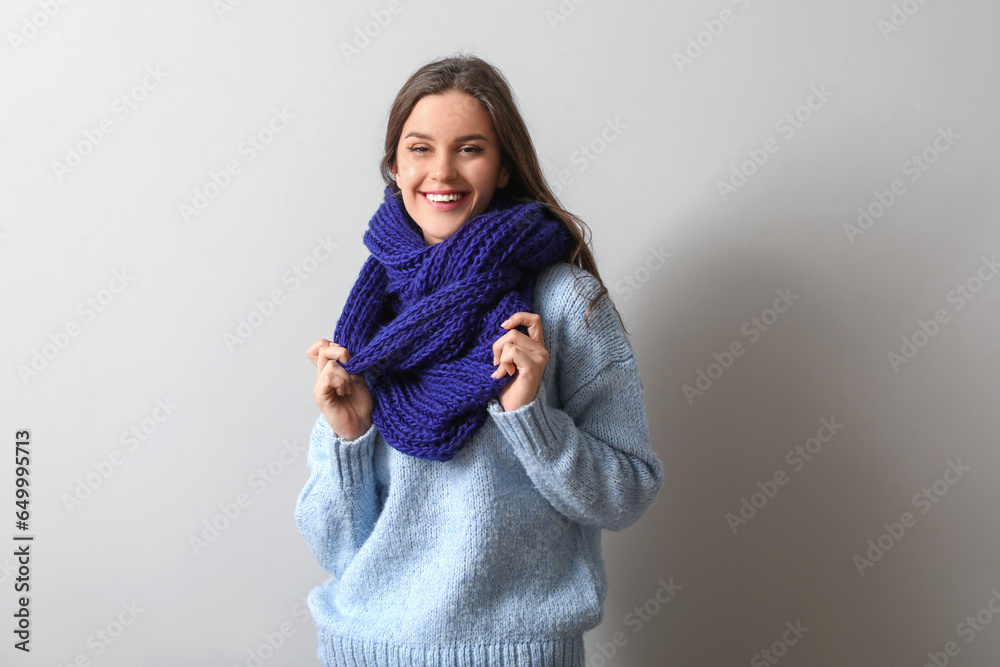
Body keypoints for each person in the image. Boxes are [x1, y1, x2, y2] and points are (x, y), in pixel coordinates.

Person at [296, 53, 664, 667]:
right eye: (419, 148)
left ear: (502, 167)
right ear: (395, 165)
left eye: (470, 149)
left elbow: (628, 495)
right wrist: (349, 438)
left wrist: (532, 420)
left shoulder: (564, 303)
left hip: (514, 654)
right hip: (363, 649)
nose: (441, 171)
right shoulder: (374, 307)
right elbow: (336, 546)